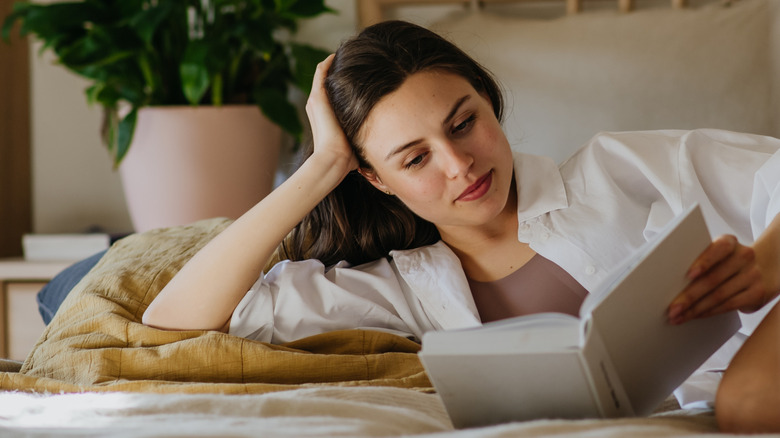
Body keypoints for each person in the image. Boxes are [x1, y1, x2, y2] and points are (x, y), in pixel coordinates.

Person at [141, 21, 780, 432]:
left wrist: (767, 262)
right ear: (375, 179)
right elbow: (178, 319)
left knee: (748, 408)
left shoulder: (621, 170)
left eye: (463, 122)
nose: (460, 164)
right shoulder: (396, 289)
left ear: (487, 99)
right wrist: (322, 167)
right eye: (414, 158)